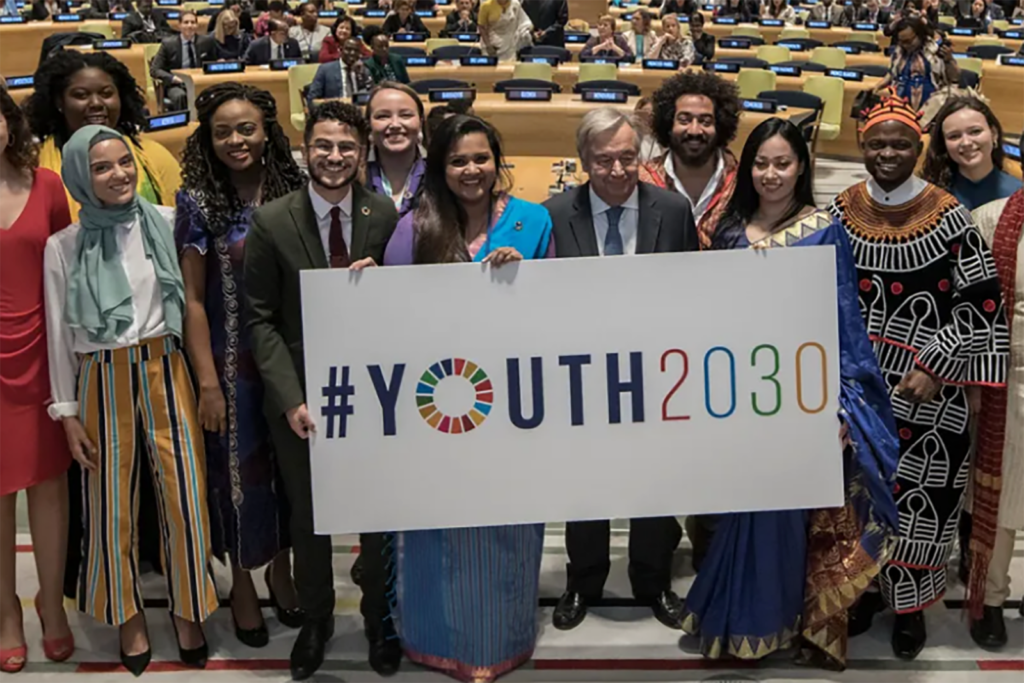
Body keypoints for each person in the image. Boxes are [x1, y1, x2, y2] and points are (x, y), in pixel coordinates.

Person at [689, 118, 900, 669]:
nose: (771, 174)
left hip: (802, 399)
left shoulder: (824, 229)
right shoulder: (728, 230)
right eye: (761, 163)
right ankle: (735, 620)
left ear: (802, 167)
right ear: (747, 168)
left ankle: (781, 622)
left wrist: (845, 403)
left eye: (782, 163)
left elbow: (843, 320)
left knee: (787, 518)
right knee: (740, 510)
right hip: (737, 397)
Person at [829, 94, 1008, 660]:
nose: (888, 153)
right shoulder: (840, 210)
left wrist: (937, 364)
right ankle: (861, 593)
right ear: (861, 147)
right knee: (856, 498)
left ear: (919, 148)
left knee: (922, 500)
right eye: (877, 143)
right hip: (856, 392)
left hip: (929, 393)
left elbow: (981, 301)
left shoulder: (948, 212)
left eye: (901, 143)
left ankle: (909, 609)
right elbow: (819, 297)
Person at [44, 124, 218, 676]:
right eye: (101, 167)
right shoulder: (63, 246)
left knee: (185, 494)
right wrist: (67, 413)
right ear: (79, 176)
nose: (118, 174)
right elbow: (56, 336)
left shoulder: (166, 223)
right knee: (109, 505)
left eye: (124, 162)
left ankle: (190, 611)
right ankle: (128, 617)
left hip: (167, 366)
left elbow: (191, 302)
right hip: (101, 376)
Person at [382, 115, 551, 683]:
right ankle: (436, 638)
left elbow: (561, 309)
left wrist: (527, 279)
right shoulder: (414, 227)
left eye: (481, 158)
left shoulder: (533, 221)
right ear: (439, 167)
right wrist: (362, 285)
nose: (471, 170)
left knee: (506, 523)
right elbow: (391, 316)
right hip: (438, 404)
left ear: (497, 161)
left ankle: (500, 639)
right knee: (439, 523)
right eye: (458, 161)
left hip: (513, 408)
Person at [244, 100, 400, 680]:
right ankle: (317, 621)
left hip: (376, 397)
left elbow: (412, 310)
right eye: (323, 146)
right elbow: (260, 319)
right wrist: (290, 398)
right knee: (309, 517)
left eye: (346, 148)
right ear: (303, 150)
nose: (334, 157)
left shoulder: (384, 215)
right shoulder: (272, 220)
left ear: (363, 154)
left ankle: (379, 618)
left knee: (377, 513)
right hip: (301, 400)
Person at [544, 108, 698, 632]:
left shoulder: (674, 211)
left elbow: (692, 290)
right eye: (603, 159)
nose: (616, 169)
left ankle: (652, 581)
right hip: (581, 378)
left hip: (657, 377)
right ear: (583, 160)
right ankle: (583, 581)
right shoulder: (552, 213)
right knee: (584, 485)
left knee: (655, 484)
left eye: (627, 157)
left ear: (642, 156)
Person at [175, 83, 306, 650]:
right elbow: (193, 300)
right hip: (229, 367)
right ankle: (243, 584)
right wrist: (207, 382)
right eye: (222, 131)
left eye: (246, 128)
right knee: (237, 478)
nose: (235, 140)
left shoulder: (295, 191)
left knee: (287, 473)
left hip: (290, 360)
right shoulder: (199, 201)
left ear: (267, 131)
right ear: (207, 137)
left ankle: (282, 567)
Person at [0, 86, 74, 676]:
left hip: (44, 355)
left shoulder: (48, 187)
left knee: (49, 488)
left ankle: (52, 605)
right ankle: (5, 612)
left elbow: (67, 274)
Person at [969, 142, 1024, 650]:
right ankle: (990, 599)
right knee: (1004, 497)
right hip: (1008, 381)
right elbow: (976, 312)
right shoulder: (992, 219)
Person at [25, 50, 182, 222]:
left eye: (106, 94)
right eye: (81, 95)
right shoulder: (34, 166)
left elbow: (181, 224)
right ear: (59, 102)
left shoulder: (155, 157)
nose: (96, 104)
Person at [640, 71, 741, 249]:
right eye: (684, 120)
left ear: (720, 126)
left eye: (706, 121)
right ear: (669, 125)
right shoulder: (642, 181)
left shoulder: (742, 183)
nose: (695, 130)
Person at [922, 97, 1022, 211]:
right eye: (954, 136)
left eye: (975, 131)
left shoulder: (1017, 195)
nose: (966, 143)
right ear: (944, 144)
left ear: (994, 133)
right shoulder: (930, 197)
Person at [874, 14, 959, 114]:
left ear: (919, 35)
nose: (905, 45)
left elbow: (954, 78)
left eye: (909, 41)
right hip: (900, 103)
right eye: (902, 42)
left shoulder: (937, 49)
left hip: (931, 107)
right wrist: (877, 88)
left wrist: (949, 60)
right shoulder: (899, 51)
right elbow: (892, 74)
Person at [365, 82, 426, 217]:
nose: (395, 124)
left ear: (420, 123)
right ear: (369, 126)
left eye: (405, 115)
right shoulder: (352, 182)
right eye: (383, 116)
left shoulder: (441, 178)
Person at [151, 11, 218, 111]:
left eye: (193, 22)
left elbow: (213, 64)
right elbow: (155, 69)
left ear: (197, 25)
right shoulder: (168, 44)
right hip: (177, 85)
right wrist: (173, 78)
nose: (190, 26)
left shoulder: (207, 42)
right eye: (186, 22)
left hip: (199, 82)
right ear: (179, 25)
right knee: (180, 96)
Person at [307, 38, 375, 108]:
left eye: (356, 50)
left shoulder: (364, 70)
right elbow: (312, 100)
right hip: (334, 111)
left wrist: (362, 76)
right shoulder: (325, 70)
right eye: (348, 49)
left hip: (358, 111)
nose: (352, 53)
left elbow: (371, 95)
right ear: (340, 49)